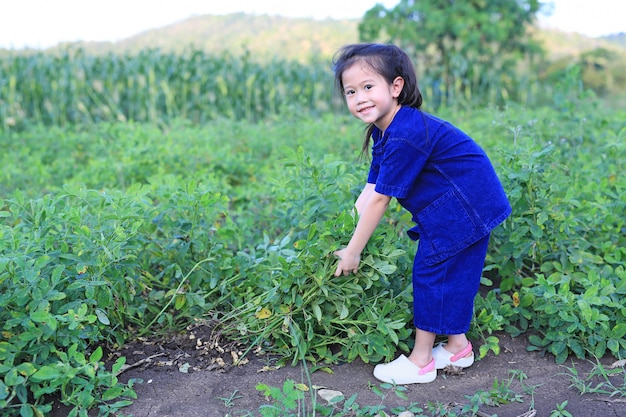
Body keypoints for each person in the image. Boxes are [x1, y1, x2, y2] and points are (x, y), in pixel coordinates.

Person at [331, 43, 511, 384]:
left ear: (395, 87)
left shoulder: (405, 133)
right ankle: (458, 347)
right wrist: (344, 232)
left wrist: (353, 251)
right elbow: (371, 188)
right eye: (350, 91)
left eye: (368, 87)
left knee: (431, 274)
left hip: (465, 207)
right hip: (459, 204)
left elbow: (382, 200)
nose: (359, 98)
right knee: (451, 276)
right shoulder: (386, 131)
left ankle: (421, 361)